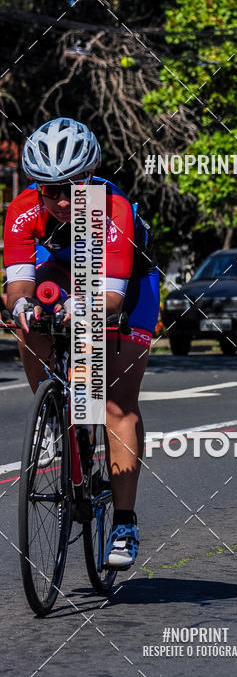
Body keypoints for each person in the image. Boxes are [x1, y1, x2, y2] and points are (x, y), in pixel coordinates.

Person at [3, 117, 160, 569]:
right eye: (49, 190)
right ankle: (54, 411)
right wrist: (22, 306)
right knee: (29, 320)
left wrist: (83, 307)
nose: (59, 201)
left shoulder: (112, 208)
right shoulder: (23, 209)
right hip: (62, 272)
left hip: (126, 286)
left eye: (71, 188)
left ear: (89, 178)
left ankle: (124, 522)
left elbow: (110, 298)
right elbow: (18, 285)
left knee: (115, 402)